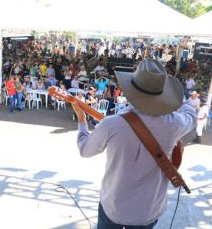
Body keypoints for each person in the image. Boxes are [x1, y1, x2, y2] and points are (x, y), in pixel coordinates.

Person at [72, 58, 196, 229]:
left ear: (130, 90)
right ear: (162, 93)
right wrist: (175, 99)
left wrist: (81, 120)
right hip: (148, 210)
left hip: (113, 206)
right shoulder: (174, 124)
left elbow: (85, 150)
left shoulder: (112, 123)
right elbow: (191, 114)